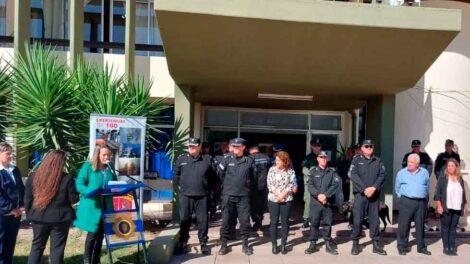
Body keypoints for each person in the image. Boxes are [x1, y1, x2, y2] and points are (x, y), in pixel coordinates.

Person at [24, 149, 79, 264]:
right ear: (61, 162)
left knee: (37, 247)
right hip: (60, 219)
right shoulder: (67, 178)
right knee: (57, 250)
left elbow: (27, 199)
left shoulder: (33, 176)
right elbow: (73, 199)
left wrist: (30, 216)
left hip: (38, 217)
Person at [74, 145, 116, 264]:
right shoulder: (88, 167)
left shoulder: (109, 169)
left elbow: (114, 182)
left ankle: (96, 259)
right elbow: (79, 184)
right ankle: (87, 260)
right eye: (104, 155)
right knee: (93, 233)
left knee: (101, 233)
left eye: (108, 155)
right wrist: (89, 191)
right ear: (97, 155)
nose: (107, 157)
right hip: (93, 205)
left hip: (106, 204)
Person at [174, 138, 213, 255]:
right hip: (186, 195)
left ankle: (203, 243)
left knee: (203, 221)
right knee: (185, 219)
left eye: (194, 146)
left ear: (199, 147)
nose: (191, 147)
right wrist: (180, 188)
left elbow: (212, 178)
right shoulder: (181, 159)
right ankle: (183, 242)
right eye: (189, 146)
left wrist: (207, 189)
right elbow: (176, 175)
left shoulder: (207, 160)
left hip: (202, 196)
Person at [218, 138, 256, 256]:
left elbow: (253, 177)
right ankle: (224, 245)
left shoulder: (249, 161)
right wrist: (228, 186)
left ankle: (245, 244)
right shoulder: (226, 159)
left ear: (243, 147)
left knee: (244, 222)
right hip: (228, 195)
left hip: (243, 196)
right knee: (226, 221)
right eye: (233, 146)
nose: (234, 148)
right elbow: (220, 174)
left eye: (237, 146)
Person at [349, 139, 386, 255]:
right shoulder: (356, 160)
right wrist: (364, 189)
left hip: (374, 195)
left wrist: (373, 188)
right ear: (362, 148)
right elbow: (352, 175)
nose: (369, 148)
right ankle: (355, 244)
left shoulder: (378, 161)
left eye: (371, 146)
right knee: (358, 219)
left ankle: (376, 244)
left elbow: (382, 175)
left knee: (375, 220)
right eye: (367, 146)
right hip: (360, 194)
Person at [395, 153, 431, 256]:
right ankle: (402, 246)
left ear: (417, 164)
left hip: (421, 202)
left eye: (411, 162)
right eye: (408, 161)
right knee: (404, 225)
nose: (409, 163)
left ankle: (421, 247)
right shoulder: (401, 173)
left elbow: (427, 186)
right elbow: (397, 188)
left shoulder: (424, 172)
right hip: (406, 201)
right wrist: (402, 197)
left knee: (420, 225)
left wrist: (424, 197)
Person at [305, 151, 340, 255]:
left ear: (327, 159)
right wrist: (318, 195)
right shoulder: (312, 171)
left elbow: (335, 185)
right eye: (321, 157)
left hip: (327, 202)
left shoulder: (332, 172)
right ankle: (312, 244)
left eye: (325, 157)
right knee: (314, 223)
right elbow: (310, 185)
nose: (323, 159)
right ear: (318, 159)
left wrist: (326, 196)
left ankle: (328, 244)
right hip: (316, 202)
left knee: (327, 223)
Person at [267, 151, 297, 255]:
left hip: (286, 199)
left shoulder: (290, 172)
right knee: (274, 222)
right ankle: (274, 245)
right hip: (273, 199)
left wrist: (283, 195)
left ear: (284, 161)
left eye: (278, 160)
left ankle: (284, 244)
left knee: (285, 223)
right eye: (276, 160)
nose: (276, 162)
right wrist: (278, 195)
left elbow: (292, 185)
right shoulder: (271, 170)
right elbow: (270, 184)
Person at [434, 158, 467, 256]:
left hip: (457, 207)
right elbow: (438, 193)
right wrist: (439, 206)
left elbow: (463, 193)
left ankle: (452, 247)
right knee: (445, 228)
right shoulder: (443, 177)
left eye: (452, 166)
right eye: (449, 166)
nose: (450, 168)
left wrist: (464, 205)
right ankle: (446, 247)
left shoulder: (459, 178)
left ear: (456, 167)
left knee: (453, 228)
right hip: (446, 207)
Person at [0, 142, 25, 264]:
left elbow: (21, 189)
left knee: (10, 243)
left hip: (16, 214)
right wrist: (11, 209)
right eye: (7, 153)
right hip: (2, 214)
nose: (11, 156)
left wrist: (22, 206)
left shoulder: (15, 169)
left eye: (11, 153)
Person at [249, 145, 271, 231]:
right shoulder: (266, 157)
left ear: (251, 150)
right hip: (263, 185)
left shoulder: (249, 158)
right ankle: (259, 221)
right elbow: (270, 170)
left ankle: (256, 221)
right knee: (261, 204)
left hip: (252, 185)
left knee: (252, 204)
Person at [302, 138, 322, 228]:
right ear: (312, 146)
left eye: (318, 145)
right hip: (310, 182)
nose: (317, 147)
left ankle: (319, 219)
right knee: (308, 200)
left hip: (321, 183)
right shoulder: (308, 157)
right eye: (315, 146)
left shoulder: (323, 156)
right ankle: (306, 219)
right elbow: (304, 169)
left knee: (320, 201)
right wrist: (311, 175)